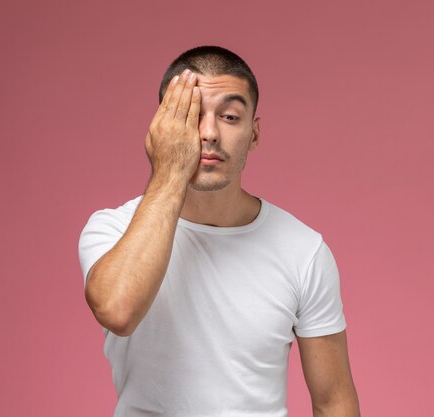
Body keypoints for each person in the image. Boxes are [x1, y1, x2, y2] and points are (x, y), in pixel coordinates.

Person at [78, 45, 360, 417]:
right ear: (164, 127)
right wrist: (169, 170)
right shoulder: (113, 229)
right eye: (190, 116)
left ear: (254, 134)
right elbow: (118, 310)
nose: (208, 133)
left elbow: (333, 401)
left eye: (229, 116)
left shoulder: (303, 250)